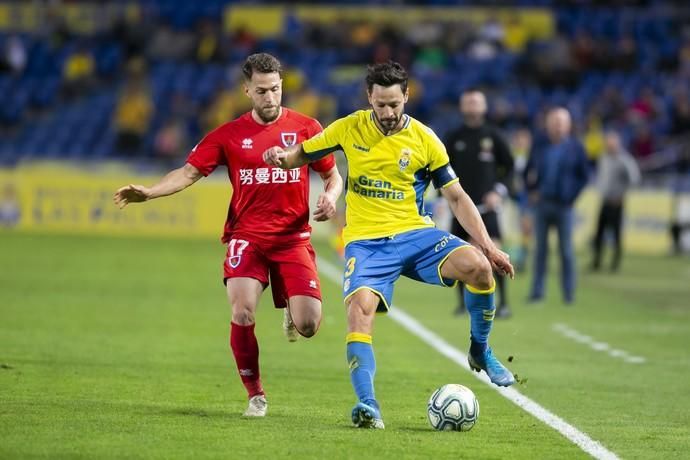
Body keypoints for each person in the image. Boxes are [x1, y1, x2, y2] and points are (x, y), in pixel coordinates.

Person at [263, 61, 515, 430]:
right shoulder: (350, 127)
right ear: (370, 98)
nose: (387, 112)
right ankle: (368, 405)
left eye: (394, 104)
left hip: (416, 234)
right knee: (359, 310)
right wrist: (282, 159)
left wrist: (490, 247)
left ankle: (480, 350)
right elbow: (305, 152)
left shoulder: (425, 139)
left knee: (477, 266)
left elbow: (458, 198)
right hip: (366, 243)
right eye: (380, 104)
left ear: (406, 97)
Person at [113, 53, 343, 417]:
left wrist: (329, 199)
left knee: (310, 324)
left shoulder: (306, 128)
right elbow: (188, 173)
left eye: (276, 90)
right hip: (246, 237)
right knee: (242, 312)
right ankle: (255, 395)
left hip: (292, 238)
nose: (271, 98)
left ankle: (289, 304)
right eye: (263, 91)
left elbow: (332, 175)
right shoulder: (228, 135)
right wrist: (151, 192)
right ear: (247, 89)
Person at [444, 89, 514, 318]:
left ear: (484, 107)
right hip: (460, 208)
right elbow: (440, 169)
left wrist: (498, 191)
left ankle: (503, 303)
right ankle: (463, 304)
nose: (472, 106)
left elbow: (510, 169)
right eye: (468, 102)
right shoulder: (454, 138)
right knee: (459, 255)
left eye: (477, 102)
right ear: (462, 107)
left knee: (494, 252)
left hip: (487, 208)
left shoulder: (494, 136)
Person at [524, 107, 590, 305]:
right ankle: (537, 293)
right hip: (542, 204)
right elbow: (527, 171)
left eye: (561, 122)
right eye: (554, 121)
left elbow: (584, 176)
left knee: (567, 252)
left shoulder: (576, 147)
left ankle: (568, 294)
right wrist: (531, 190)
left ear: (568, 125)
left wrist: (571, 196)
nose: (558, 125)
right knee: (540, 250)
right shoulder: (540, 145)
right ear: (548, 124)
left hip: (564, 206)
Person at [591, 131, 640, 272]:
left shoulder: (624, 159)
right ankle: (597, 262)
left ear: (618, 143)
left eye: (612, 142)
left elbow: (634, 179)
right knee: (599, 232)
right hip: (605, 200)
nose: (609, 144)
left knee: (616, 233)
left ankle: (615, 264)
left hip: (616, 202)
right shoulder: (603, 158)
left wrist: (622, 195)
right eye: (608, 142)